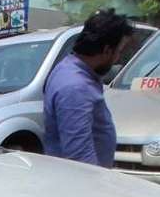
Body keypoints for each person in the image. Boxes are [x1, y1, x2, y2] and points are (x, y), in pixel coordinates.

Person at [43, 9, 134, 167]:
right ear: (107, 50)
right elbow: (79, 155)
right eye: (118, 51)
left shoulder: (69, 68)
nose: (117, 58)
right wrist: (98, 182)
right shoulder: (75, 87)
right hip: (83, 178)